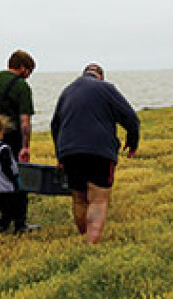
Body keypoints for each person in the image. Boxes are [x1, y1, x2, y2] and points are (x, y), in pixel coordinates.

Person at [50, 63, 140, 245]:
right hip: (100, 151)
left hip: (70, 152)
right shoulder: (106, 88)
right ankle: (91, 244)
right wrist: (132, 142)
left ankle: (85, 237)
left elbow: (55, 125)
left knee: (79, 199)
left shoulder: (67, 91)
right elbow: (130, 118)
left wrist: (60, 155)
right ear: (101, 76)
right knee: (98, 200)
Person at [0, 50, 37, 231]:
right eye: (29, 72)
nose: (28, 77)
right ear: (23, 68)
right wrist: (25, 147)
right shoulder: (22, 87)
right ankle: (18, 223)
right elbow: (25, 122)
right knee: (16, 179)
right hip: (12, 138)